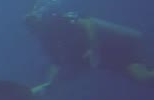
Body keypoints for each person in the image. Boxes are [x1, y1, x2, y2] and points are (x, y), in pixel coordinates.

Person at [23, 11, 154, 88]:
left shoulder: (56, 21)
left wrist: (93, 47)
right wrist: (47, 84)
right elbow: (56, 63)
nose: (36, 29)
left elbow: (88, 23)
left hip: (112, 46)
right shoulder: (47, 42)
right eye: (33, 28)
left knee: (143, 77)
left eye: (35, 24)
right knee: (143, 77)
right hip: (106, 59)